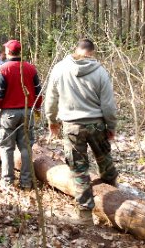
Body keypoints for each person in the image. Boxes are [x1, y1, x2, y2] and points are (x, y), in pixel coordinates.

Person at [44, 38, 118, 225]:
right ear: (92, 52)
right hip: (97, 124)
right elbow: (108, 105)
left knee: (79, 170)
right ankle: (114, 195)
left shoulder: (60, 68)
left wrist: (52, 121)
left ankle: (85, 214)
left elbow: (51, 98)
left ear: (76, 49)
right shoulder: (100, 72)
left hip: (71, 126)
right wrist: (111, 126)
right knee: (104, 159)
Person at [0, 39, 42, 190]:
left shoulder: (3, 69)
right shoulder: (31, 69)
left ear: (8, 52)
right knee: (26, 148)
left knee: (6, 148)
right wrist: (37, 109)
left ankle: (7, 182)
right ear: (20, 52)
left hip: (8, 115)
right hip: (27, 112)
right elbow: (38, 92)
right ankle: (26, 182)